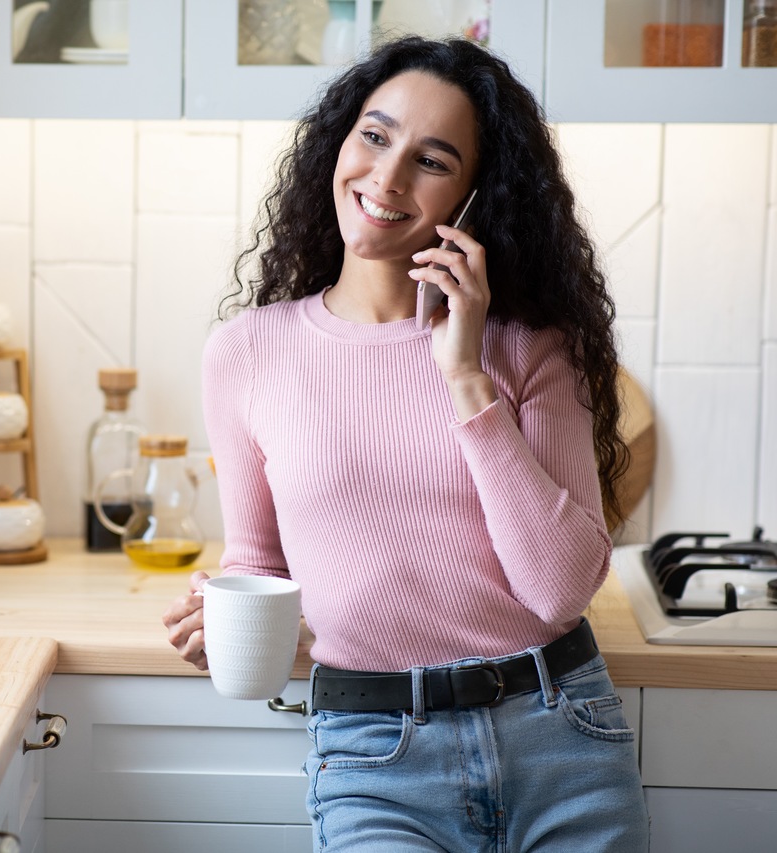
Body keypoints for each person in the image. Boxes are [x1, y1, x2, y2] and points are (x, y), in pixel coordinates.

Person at [162, 36, 649, 852]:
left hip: (560, 735)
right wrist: (224, 616)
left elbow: (560, 589)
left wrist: (465, 377)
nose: (386, 180)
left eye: (433, 159)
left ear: (472, 195)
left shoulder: (529, 347)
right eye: (375, 136)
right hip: (374, 756)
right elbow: (259, 561)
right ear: (340, 140)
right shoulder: (247, 351)